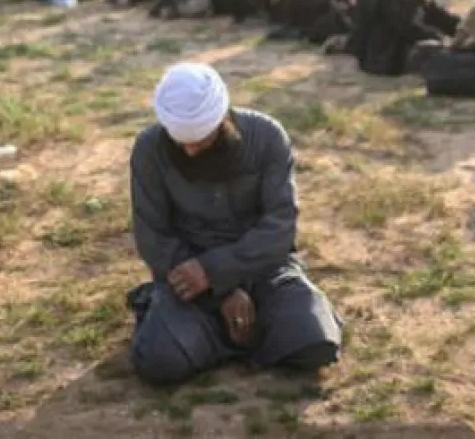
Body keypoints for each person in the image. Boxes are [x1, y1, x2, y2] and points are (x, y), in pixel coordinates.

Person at [128, 64, 343, 385]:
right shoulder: (150, 149)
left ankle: (228, 332)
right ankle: (187, 318)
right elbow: (153, 236)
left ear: (223, 119)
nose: (189, 150)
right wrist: (218, 290)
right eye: (180, 142)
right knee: (159, 361)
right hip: (187, 279)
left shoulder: (268, 137)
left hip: (263, 270)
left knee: (314, 343)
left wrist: (219, 271)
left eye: (200, 140)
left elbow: (280, 228)